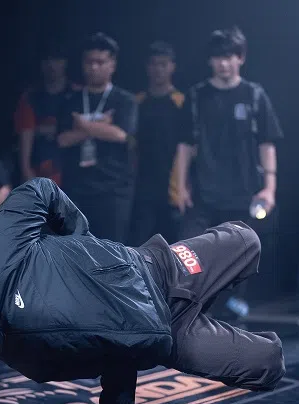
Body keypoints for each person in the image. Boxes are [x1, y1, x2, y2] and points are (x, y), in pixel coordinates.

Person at [0, 178, 285, 404]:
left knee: (247, 240)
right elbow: (110, 351)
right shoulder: (17, 354)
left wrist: (85, 244)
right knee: (267, 365)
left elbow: (39, 190)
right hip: (168, 338)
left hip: (159, 271)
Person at [172, 26, 284, 320]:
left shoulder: (254, 95)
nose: (224, 63)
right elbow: (185, 144)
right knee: (189, 248)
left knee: (239, 252)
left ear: (240, 58)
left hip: (244, 190)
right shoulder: (196, 97)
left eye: (230, 57)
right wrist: (180, 185)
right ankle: (189, 304)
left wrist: (270, 187)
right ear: (210, 61)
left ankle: (233, 301)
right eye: (218, 58)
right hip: (204, 190)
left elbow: (267, 142)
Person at [57, 33, 138, 244]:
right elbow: (63, 139)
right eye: (89, 62)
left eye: (100, 62)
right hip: (77, 188)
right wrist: (100, 126)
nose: (94, 67)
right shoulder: (71, 100)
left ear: (112, 64)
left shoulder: (124, 100)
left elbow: (120, 134)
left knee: (112, 249)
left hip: (114, 189)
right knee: (76, 249)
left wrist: (83, 125)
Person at [131, 41, 183, 246]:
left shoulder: (181, 102)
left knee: (173, 246)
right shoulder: (137, 102)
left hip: (172, 185)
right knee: (138, 244)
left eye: (163, 64)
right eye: (154, 64)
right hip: (141, 185)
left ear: (172, 66)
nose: (158, 69)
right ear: (147, 67)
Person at [14, 42, 74, 185]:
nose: (52, 65)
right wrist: (26, 170)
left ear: (65, 63)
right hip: (40, 170)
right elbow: (25, 133)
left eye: (57, 60)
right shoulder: (30, 97)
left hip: (72, 172)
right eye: (47, 60)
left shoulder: (77, 94)